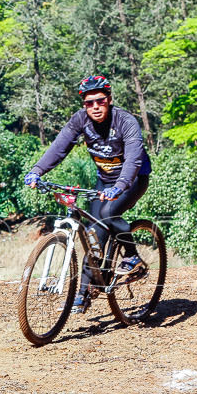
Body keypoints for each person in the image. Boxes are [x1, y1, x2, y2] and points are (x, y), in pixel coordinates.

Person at [24, 75, 151, 313]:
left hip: (132, 179)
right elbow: (59, 148)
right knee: (94, 235)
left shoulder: (125, 121)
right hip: (104, 180)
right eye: (89, 102)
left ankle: (132, 256)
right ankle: (83, 294)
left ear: (109, 100)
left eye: (100, 101)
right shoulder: (80, 120)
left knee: (109, 212)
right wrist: (37, 171)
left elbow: (133, 159)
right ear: (84, 104)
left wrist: (120, 186)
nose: (95, 107)